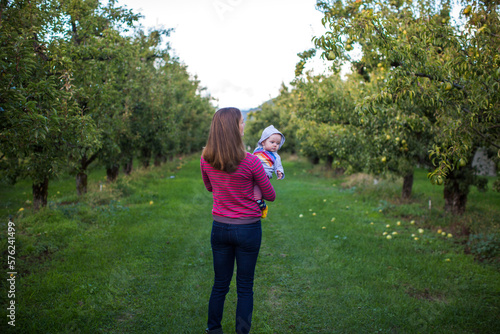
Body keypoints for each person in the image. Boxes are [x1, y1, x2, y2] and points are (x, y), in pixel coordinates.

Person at [201, 107, 276, 334]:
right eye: (241, 122)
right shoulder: (252, 162)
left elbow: (209, 187)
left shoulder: (206, 159)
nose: (243, 126)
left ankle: (213, 330)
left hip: (220, 228)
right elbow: (270, 195)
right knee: (244, 288)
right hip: (248, 230)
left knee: (220, 284)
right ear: (234, 128)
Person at [252, 125, 285, 218]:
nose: (275, 145)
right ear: (263, 142)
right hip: (251, 174)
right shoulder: (257, 150)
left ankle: (262, 206)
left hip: (262, 177)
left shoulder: (275, 156)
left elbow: (278, 166)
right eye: (272, 142)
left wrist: (279, 172)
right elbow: (250, 159)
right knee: (247, 192)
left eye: (278, 143)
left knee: (257, 196)